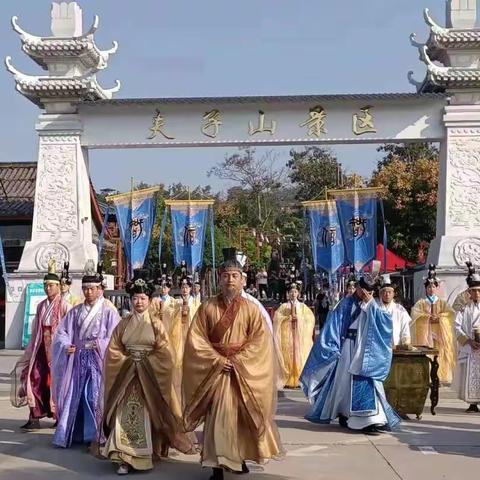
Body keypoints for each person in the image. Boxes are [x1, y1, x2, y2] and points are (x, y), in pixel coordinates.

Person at [183, 255, 283, 480]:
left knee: (242, 418)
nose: (230, 280)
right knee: (218, 418)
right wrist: (218, 361)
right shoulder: (207, 307)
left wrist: (238, 361)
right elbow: (196, 340)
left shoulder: (251, 309)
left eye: (235, 276)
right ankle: (217, 464)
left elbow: (260, 342)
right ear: (219, 279)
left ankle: (239, 457)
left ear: (243, 281)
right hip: (215, 371)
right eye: (226, 275)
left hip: (241, 372)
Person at [99, 272, 195, 475]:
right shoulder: (123, 323)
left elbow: (165, 354)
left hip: (148, 377)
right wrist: (127, 362)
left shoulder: (156, 324)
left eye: (143, 298)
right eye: (135, 298)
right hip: (126, 376)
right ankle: (121, 456)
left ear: (150, 301)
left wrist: (145, 363)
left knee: (148, 413)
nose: (138, 302)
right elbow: (114, 350)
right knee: (122, 414)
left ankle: (143, 454)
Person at [300, 275, 401, 435]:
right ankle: (344, 413)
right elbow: (333, 325)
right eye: (364, 290)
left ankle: (371, 419)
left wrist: (370, 305)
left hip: (367, 351)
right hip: (348, 347)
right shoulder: (346, 304)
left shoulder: (374, 305)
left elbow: (385, 324)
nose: (366, 293)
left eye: (370, 291)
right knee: (343, 385)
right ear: (358, 288)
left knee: (369, 381)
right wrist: (332, 347)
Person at [51, 261, 120, 448]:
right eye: (85, 289)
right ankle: (76, 434)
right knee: (76, 396)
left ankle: (97, 436)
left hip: (98, 359)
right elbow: (62, 332)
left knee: (94, 396)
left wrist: (99, 344)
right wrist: (66, 345)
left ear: (100, 289)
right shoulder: (75, 311)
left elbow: (115, 336)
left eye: (92, 289)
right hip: (78, 359)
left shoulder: (109, 311)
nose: (88, 292)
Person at [11, 260, 70, 430]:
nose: (48, 288)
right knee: (34, 378)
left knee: (57, 382)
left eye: (51, 285)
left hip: (57, 350)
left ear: (58, 286)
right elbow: (37, 327)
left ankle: (59, 417)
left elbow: (70, 328)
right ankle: (34, 416)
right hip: (40, 348)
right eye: (46, 285)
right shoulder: (41, 305)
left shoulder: (65, 304)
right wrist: (30, 350)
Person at [411, 264, 456, 384]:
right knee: (427, 355)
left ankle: (441, 376)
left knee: (440, 354)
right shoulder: (421, 303)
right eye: (429, 287)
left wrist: (440, 318)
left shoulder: (442, 303)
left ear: (436, 288)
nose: (431, 289)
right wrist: (427, 318)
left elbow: (450, 314)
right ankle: (427, 377)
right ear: (426, 289)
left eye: (433, 287)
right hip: (426, 334)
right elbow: (415, 315)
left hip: (439, 333)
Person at [273, 282, 315, 388]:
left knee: (299, 354)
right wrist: (288, 318)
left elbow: (310, 319)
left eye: (295, 292)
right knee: (288, 355)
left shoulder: (303, 307)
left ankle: (300, 378)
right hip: (287, 335)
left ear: (298, 294)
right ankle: (287, 378)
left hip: (299, 336)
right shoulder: (283, 306)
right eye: (291, 292)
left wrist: (299, 319)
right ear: (288, 294)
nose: (293, 294)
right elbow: (277, 319)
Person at [453, 262, 480, 413]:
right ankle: (472, 403)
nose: (476, 294)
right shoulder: (464, 309)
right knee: (471, 375)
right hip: (471, 346)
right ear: (469, 293)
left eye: (478, 291)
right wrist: (468, 341)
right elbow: (456, 326)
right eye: (473, 291)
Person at [377, 274, 412, 347]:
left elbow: (405, 328)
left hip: (396, 347)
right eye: (384, 292)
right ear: (381, 294)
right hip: (379, 347)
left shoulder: (400, 310)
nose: (387, 294)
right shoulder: (376, 309)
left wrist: (406, 343)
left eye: (389, 292)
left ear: (393, 294)